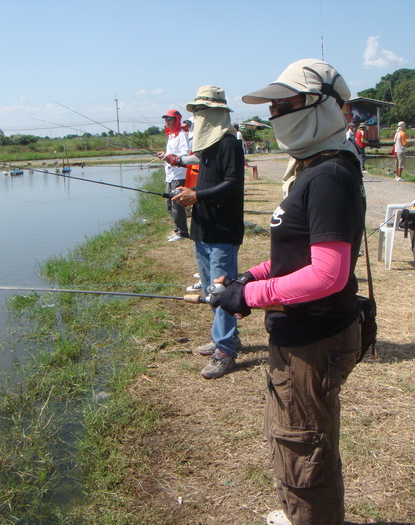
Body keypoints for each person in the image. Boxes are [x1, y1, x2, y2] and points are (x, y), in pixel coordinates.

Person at [214, 59, 365, 525]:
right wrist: (251, 278)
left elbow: (327, 275)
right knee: (299, 438)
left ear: (325, 105)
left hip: (312, 339)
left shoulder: (329, 176)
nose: (276, 111)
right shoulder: (314, 168)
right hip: (302, 334)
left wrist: (250, 298)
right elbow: (295, 258)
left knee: (304, 449)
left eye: (287, 102)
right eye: (273, 104)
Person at [172, 85, 245, 379]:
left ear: (216, 113)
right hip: (202, 228)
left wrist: (197, 196)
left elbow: (233, 184)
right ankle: (225, 338)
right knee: (209, 291)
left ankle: (226, 351)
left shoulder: (229, 144)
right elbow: (207, 182)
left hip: (222, 230)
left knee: (222, 291)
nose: (197, 116)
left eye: (201, 110)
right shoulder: (208, 149)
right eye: (195, 110)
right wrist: (189, 192)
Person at [157, 109, 191, 241]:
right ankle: (178, 230)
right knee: (169, 204)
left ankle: (183, 232)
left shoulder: (182, 135)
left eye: (169, 119)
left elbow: (185, 153)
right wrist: (164, 155)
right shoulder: (171, 136)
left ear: (176, 120)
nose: (167, 122)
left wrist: (170, 157)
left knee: (177, 204)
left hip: (178, 174)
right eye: (165, 119)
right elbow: (169, 154)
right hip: (169, 175)